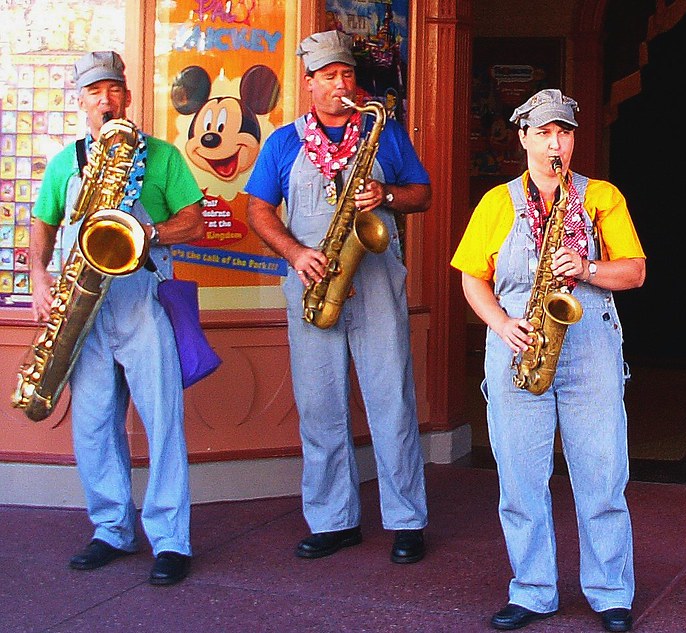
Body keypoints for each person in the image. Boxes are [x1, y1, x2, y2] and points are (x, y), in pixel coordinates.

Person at [451, 89, 646, 632]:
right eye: (544, 132)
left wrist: (584, 267)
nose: (555, 143)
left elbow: (633, 272)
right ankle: (532, 589)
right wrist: (500, 322)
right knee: (518, 476)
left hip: (589, 346)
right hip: (517, 342)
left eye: (564, 132)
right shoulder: (496, 202)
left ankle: (610, 592)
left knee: (602, 473)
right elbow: (473, 278)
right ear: (523, 138)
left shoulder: (601, 196)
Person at [245, 30, 431, 564]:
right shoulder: (283, 141)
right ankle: (332, 520)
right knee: (320, 406)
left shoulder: (384, 132)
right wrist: (295, 253)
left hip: (373, 283)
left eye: (347, 75)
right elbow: (258, 209)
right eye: (328, 77)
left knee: (391, 401)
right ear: (309, 85)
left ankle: (406, 520)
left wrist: (388, 194)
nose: (341, 85)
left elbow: (422, 193)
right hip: (312, 283)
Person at [29, 51, 204, 585]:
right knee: (93, 424)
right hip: (84, 306)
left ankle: (171, 540)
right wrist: (38, 278)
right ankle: (110, 528)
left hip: (141, 297)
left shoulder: (163, 155)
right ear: (81, 101)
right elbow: (43, 221)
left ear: (128, 97)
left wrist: (149, 233)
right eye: (94, 91)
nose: (106, 100)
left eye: (114, 89)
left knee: (163, 421)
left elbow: (193, 220)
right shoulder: (65, 162)